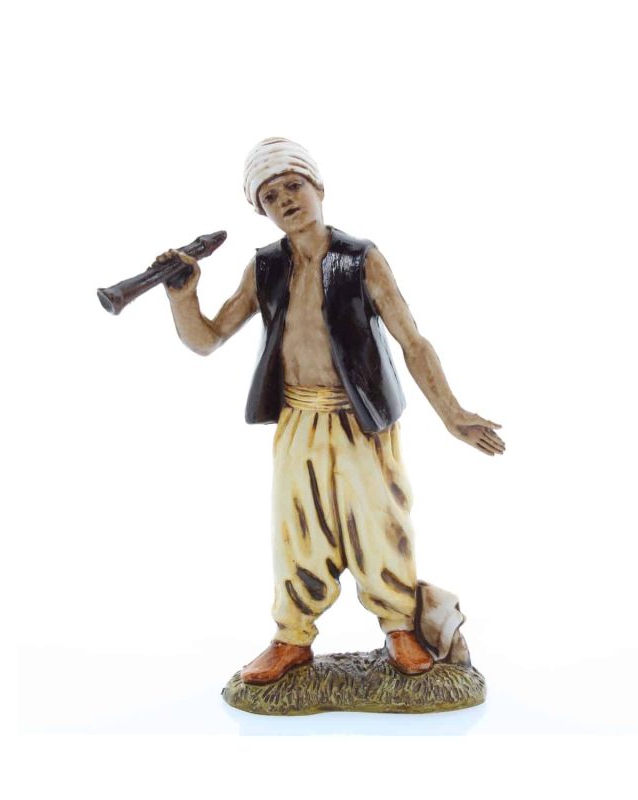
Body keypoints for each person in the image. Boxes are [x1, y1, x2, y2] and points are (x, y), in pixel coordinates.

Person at [156, 138, 505, 684]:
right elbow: (207, 339)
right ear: (261, 210)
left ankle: (400, 627)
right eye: (271, 196)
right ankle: (292, 638)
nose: (286, 200)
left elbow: (412, 341)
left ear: (319, 187)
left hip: (361, 420)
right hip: (299, 419)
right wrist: (183, 296)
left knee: (379, 525)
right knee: (296, 530)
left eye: (293, 186)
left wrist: (452, 413)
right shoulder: (265, 268)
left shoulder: (361, 259)